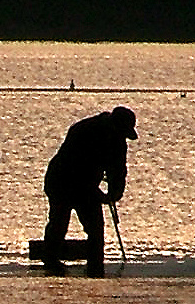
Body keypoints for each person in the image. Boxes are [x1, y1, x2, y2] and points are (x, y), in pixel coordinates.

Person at [42, 106, 137, 276]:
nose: (123, 137)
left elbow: (118, 171)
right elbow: (78, 170)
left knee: (95, 228)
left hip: (84, 185)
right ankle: (51, 263)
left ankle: (95, 266)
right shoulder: (85, 130)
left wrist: (114, 194)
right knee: (59, 222)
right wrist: (99, 194)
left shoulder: (118, 141)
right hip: (61, 180)